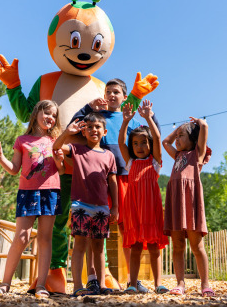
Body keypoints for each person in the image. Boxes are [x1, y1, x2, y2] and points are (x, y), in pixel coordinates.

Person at [69, 75, 159, 293]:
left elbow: (152, 137)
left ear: (124, 97)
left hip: (128, 178)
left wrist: (152, 116)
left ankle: (132, 279)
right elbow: (75, 122)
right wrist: (88, 106)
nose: (111, 95)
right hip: (100, 179)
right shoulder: (97, 117)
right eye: (108, 92)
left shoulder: (133, 120)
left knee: (128, 229)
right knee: (93, 230)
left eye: (116, 92)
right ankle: (92, 278)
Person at [0, 100, 65, 299]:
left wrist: (59, 159)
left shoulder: (56, 140)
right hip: (27, 192)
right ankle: (5, 283)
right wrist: (0, 157)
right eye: (47, 113)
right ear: (37, 113)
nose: (50, 118)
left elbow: (62, 170)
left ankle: (41, 286)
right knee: (22, 237)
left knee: (46, 239)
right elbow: (13, 169)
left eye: (54, 115)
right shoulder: (22, 140)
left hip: (50, 192)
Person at [52, 112, 118, 296]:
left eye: (97, 127)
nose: (93, 130)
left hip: (102, 207)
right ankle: (77, 286)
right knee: (80, 245)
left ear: (104, 132)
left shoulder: (109, 156)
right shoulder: (76, 149)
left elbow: (112, 182)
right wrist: (67, 132)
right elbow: (56, 146)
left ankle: (102, 285)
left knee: (98, 247)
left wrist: (115, 207)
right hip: (80, 205)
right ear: (84, 132)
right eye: (89, 127)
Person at [118, 100, 169, 294]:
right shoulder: (130, 162)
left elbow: (157, 136)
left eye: (144, 142)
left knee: (155, 247)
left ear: (150, 144)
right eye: (136, 143)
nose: (139, 146)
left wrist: (148, 118)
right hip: (135, 212)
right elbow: (120, 141)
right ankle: (132, 283)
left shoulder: (154, 162)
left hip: (151, 211)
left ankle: (158, 284)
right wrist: (125, 121)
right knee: (136, 247)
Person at [162, 117, 215, 297]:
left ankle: (205, 284)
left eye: (181, 136)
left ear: (193, 140)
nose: (176, 140)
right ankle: (180, 283)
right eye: (177, 136)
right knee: (177, 246)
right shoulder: (177, 155)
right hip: (176, 203)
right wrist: (178, 130)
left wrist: (198, 123)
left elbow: (205, 127)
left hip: (190, 204)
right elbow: (165, 142)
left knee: (197, 246)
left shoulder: (197, 155)